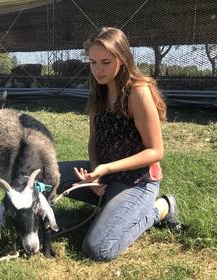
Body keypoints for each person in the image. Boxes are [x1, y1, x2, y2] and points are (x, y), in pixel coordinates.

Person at [57, 27, 180, 261]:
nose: (98, 69)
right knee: (45, 174)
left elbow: (156, 151)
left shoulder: (137, 92)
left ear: (122, 59)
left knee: (97, 249)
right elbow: (93, 140)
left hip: (137, 182)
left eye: (105, 62)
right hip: (104, 177)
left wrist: (107, 169)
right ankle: (112, 209)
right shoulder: (98, 92)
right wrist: (94, 173)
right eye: (92, 62)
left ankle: (159, 209)